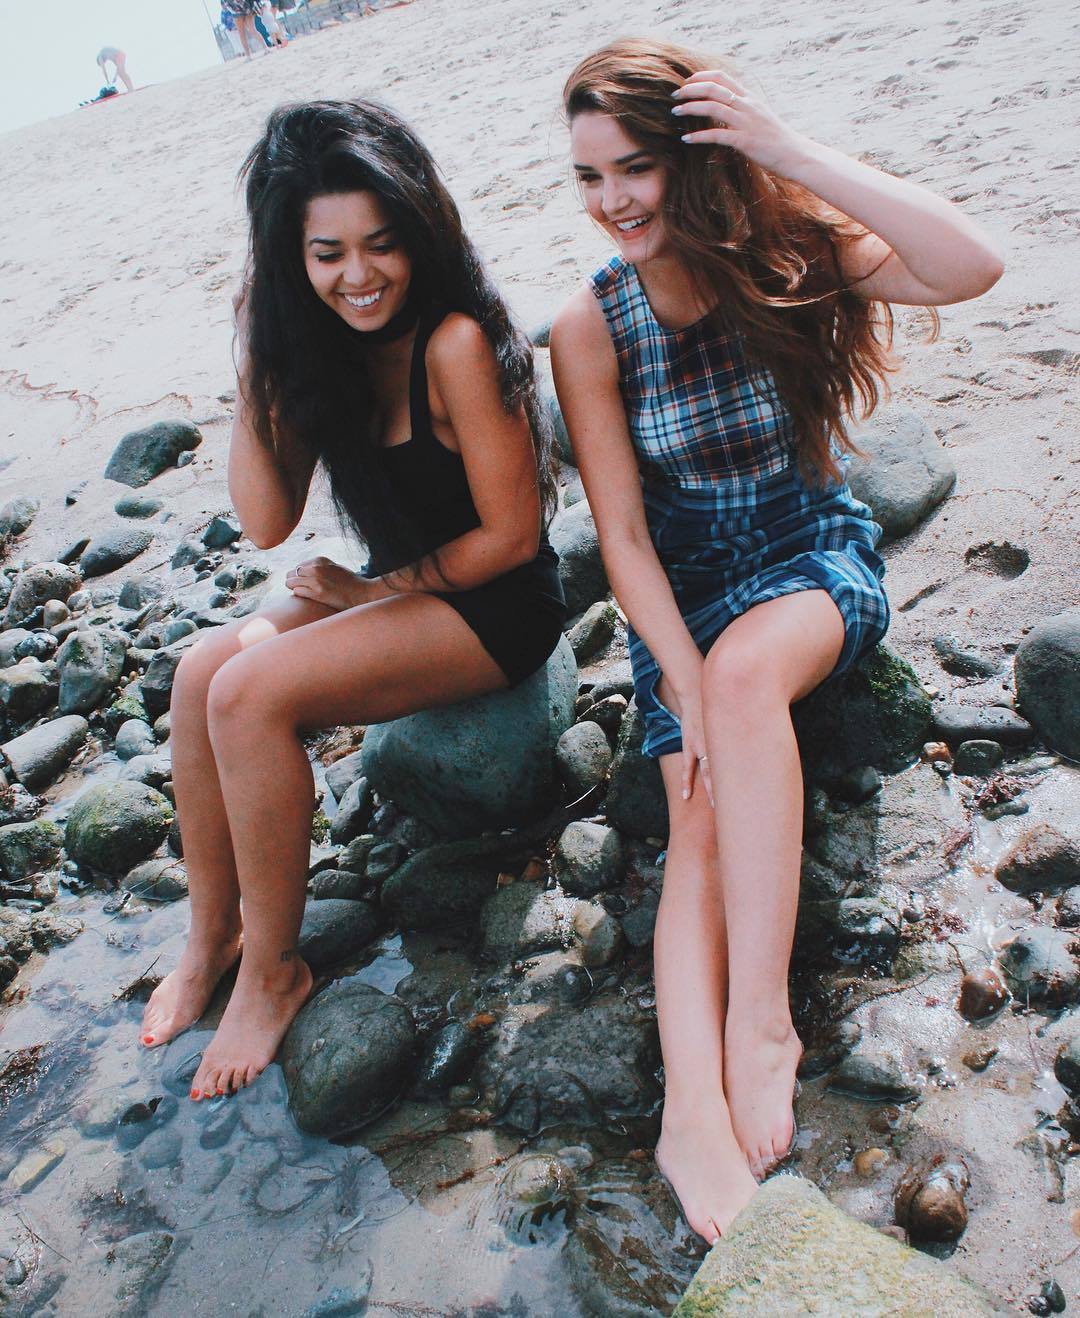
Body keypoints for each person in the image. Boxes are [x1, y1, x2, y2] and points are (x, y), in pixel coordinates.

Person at [550, 38, 1003, 1242]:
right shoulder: (591, 325)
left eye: (634, 167)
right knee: (694, 812)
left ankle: (760, 1020)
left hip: (809, 558)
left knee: (747, 679)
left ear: (697, 157)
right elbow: (622, 540)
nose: (611, 201)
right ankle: (688, 1110)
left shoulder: (789, 254)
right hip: (680, 597)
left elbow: (971, 263)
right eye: (588, 176)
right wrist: (679, 676)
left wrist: (786, 149)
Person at [140, 100, 565, 1101]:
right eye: (326, 254)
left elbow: (512, 536)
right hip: (397, 594)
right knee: (201, 671)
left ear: (419, 232)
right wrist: (259, 351)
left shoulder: (455, 341)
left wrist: (375, 590)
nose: (359, 275)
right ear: (292, 260)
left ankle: (274, 971)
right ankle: (212, 938)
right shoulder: (320, 349)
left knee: (248, 693)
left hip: (495, 608)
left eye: (382, 244)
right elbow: (264, 521)